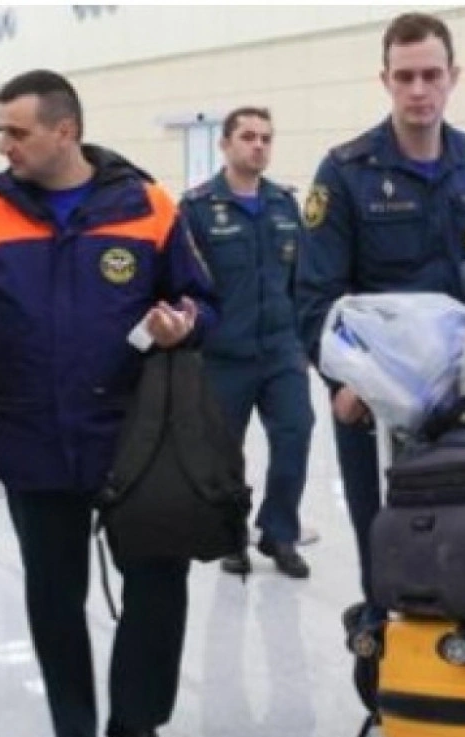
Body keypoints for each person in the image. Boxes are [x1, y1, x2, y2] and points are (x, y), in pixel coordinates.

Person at [0, 69, 218, 737]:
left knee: (158, 581)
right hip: (34, 434)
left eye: (16, 131)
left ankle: (140, 720)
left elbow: (201, 300)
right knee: (53, 595)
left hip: (137, 435)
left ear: (64, 131)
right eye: (0, 130)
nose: (3, 144)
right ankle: (73, 734)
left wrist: (184, 322)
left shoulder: (146, 203)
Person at [296, 12, 465, 609]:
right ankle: (383, 657)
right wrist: (345, 384)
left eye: (431, 74)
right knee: (388, 556)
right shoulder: (346, 172)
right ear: (386, 81)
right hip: (377, 404)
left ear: (453, 77)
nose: (418, 90)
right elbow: (315, 296)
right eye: (405, 77)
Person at [179, 107, 314, 580]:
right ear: (225, 144)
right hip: (223, 355)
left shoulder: (284, 204)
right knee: (224, 454)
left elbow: (301, 279)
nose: (258, 146)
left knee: (295, 434)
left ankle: (279, 532)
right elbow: (185, 284)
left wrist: (302, 342)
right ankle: (231, 536)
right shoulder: (197, 208)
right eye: (248, 137)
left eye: (266, 138)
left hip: (281, 351)